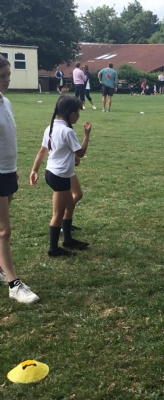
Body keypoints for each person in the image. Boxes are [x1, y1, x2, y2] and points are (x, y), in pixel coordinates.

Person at [30, 96, 91, 257]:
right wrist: (87, 135)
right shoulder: (68, 131)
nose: (79, 116)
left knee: (69, 205)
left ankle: (68, 239)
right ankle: (53, 249)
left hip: (53, 172)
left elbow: (43, 151)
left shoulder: (50, 127)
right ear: (72, 114)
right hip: (59, 176)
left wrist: (34, 170)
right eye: (78, 112)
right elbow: (80, 153)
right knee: (58, 213)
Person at [0, 54, 39, 304]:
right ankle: (14, 284)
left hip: (7, 171)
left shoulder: (6, 102)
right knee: (4, 229)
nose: (7, 80)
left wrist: (12, 168)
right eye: (2, 76)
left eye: (8, 75)